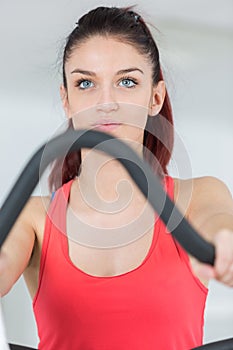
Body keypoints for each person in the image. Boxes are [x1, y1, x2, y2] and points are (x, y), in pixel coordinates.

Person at [1, 6, 233, 350]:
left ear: (155, 98)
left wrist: (226, 244)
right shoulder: (33, 219)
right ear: (66, 101)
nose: (106, 102)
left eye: (126, 82)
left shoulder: (199, 196)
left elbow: (221, 224)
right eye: (85, 83)